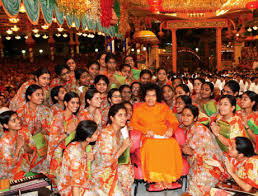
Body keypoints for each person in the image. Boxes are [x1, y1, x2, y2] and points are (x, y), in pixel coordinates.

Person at [130, 83, 183, 191]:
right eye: (148, 95)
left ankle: (169, 179)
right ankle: (157, 180)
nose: (150, 98)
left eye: (153, 95)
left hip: (164, 135)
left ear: (157, 96)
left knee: (172, 143)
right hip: (148, 136)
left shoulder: (163, 107)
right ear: (144, 96)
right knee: (152, 145)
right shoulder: (138, 109)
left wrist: (171, 129)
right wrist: (145, 130)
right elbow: (133, 124)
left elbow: (174, 121)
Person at [182, 105, 225, 195]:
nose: (185, 118)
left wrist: (191, 152)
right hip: (196, 167)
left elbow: (210, 152)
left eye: (189, 115)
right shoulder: (188, 129)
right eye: (183, 115)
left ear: (195, 118)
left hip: (208, 168)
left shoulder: (200, 129)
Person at [92, 104, 134, 196]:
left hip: (114, 166)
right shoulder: (106, 134)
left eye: (124, 115)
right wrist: (123, 147)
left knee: (128, 169)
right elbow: (107, 162)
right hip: (102, 171)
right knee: (125, 172)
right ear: (112, 118)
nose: (123, 118)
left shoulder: (121, 131)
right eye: (120, 115)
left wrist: (127, 145)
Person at [47, 92, 80, 191]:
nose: (76, 105)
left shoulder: (75, 119)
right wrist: (67, 133)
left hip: (70, 156)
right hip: (58, 156)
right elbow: (53, 141)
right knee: (60, 185)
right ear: (66, 103)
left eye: (77, 103)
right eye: (72, 103)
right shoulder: (58, 117)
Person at [16, 84, 53, 173]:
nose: (41, 97)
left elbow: (52, 130)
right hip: (27, 145)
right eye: (37, 95)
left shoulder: (47, 111)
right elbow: (17, 130)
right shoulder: (21, 111)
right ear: (29, 96)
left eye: (42, 94)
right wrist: (34, 132)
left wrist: (40, 130)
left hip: (43, 144)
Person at [58, 120, 99, 196]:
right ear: (88, 138)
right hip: (69, 189)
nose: (98, 135)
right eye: (96, 133)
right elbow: (75, 184)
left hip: (83, 182)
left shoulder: (84, 145)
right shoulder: (75, 152)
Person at [0, 111, 31, 180]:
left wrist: (24, 145)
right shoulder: (5, 142)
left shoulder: (21, 133)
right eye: (14, 121)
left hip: (24, 172)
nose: (18, 121)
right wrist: (18, 148)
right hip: (10, 178)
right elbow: (8, 167)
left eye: (17, 118)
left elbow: (31, 151)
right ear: (6, 126)